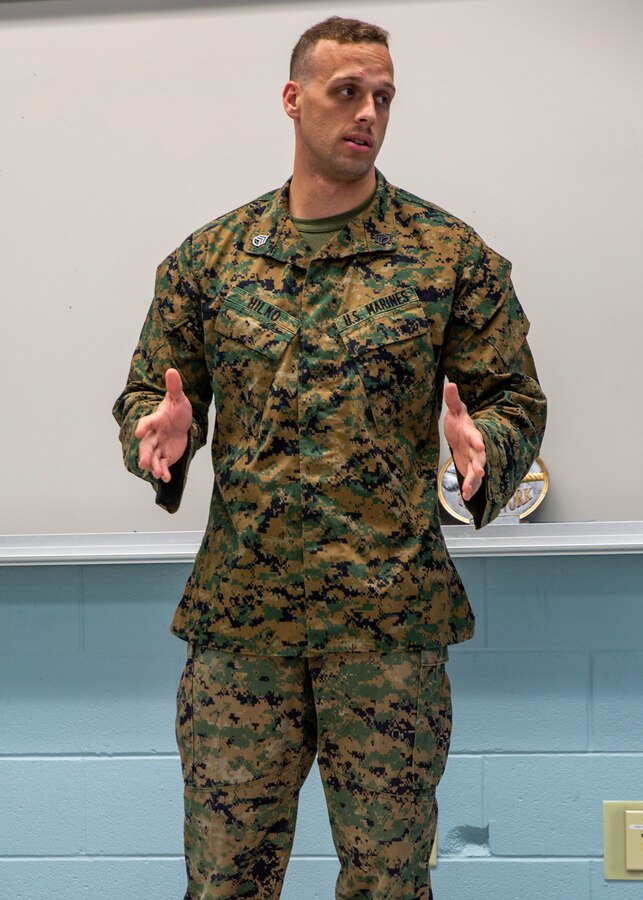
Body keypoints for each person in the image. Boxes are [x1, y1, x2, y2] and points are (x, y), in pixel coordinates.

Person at [113, 16, 546, 900]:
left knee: (388, 885)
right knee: (226, 882)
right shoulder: (210, 261)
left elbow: (511, 399)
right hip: (242, 629)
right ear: (292, 98)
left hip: (387, 630)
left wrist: (483, 448)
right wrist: (155, 437)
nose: (367, 113)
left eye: (382, 95)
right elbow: (148, 400)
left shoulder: (448, 258)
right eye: (347, 91)